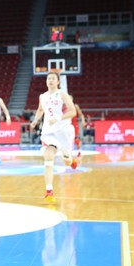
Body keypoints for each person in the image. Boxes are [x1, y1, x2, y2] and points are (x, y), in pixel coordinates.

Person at [30, 72, 79, 202]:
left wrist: (58, 118)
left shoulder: (62, 94)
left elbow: (73, 112)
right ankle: (49, 191)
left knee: (66, 160)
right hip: (48, 132)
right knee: (48, 156)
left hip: (63, 130)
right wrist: (35, 121)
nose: (50, 80)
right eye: (48, 78)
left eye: (53, 78)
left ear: (58, 81)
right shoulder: (43, 96)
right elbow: (41, 110)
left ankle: (71, 159)